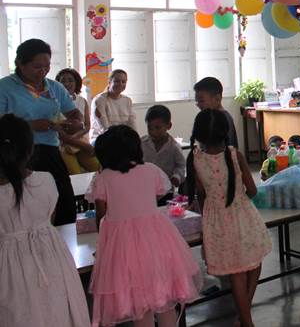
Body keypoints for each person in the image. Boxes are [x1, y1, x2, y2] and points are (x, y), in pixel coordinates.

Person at [87, 125, 199, 327]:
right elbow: (157, 193)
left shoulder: (104, 178)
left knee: (139, 305)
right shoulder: (151, 170)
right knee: (164, 300)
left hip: (124, 248)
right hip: (156, 242)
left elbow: (101, 216)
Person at [0, 114, 91, 327]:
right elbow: (49, 218)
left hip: (8, 267)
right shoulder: (46, 180)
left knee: (19, 314)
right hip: (51, 257)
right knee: (56, 309)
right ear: (30, 149)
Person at [186, 109, 271, 327]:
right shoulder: (235, 155)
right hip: (243, 215)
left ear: (198, 134)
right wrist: (239, 198)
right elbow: (253, 190)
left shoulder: (195, 160)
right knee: (254, 263)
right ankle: (246, 320)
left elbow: (200, 195)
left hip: (215, 221)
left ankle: (244, 318)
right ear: (226, 132)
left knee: (236, 273)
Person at [0, 39, 82, 224]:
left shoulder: (54, 87)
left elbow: (73, 112)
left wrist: (75, 122)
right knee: (21, 206)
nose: (43, 71)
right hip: (13, 154)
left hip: (49, 151)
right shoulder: (4, 88)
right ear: (20, 63)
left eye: (47, 66)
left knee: (64, 201)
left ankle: (59, 238)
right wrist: (31, 126)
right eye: (37, 67)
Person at [55, 68, 100, 174]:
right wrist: (70, 139)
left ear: (76, 83)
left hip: (81, 143)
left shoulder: (82, 101)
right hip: (63, 145)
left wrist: (75, 138)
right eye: (63, 81)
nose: (66, 83)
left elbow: (87, 126)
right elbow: (56, 127)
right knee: (75, 173)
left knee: (97, 168)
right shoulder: (54, 102)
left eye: (70, 80)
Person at [141, 105, 186, 192]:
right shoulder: (141, 143)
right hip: (145, 187)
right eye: (149, 128)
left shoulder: (174, 147)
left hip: (166, 190)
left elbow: (181, 166)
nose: (153, 132)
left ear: (169, 126)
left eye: (158, 128)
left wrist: (176, 177)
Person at [90, 69, 136, 144]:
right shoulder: (99, 100)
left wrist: (135, 139)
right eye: (117, 81)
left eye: (123, 82)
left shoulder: (127, 100)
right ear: (109, 82)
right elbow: (104, 128)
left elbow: (132, 123)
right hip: (102, 139)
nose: (120, 84)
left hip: (121, 139)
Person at [194, 77, 238, 149]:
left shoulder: (224, 118)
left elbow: (228, 147)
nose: (198, 105)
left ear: (217, 98)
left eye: (201, 101)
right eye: (197, 101)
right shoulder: (207, 118)